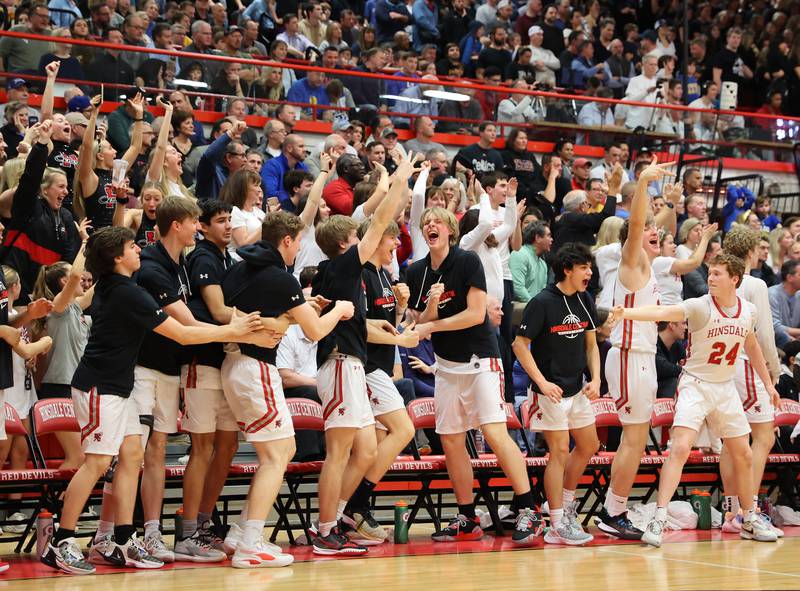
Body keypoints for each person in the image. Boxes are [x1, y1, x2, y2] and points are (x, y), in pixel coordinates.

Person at [42, 226, 262, 575]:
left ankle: (124, 538)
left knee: (132, 456)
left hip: (119, 386)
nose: (139, 251)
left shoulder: (112, 286)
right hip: (100, 387)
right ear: (117, 258)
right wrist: (234, 331)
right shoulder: (128, 293)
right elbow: (183, 334)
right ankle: (62, 541)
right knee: (97, 464)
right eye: (132, 247)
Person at [608, 253, 779, 546]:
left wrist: (768, 384)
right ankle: (659, 518)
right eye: (710, 273)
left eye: (717, 274)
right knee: (681, 448)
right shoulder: (700, 306)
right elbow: (664, 313)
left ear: (734, 279)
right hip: (696, 386)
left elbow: (752, 345)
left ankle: (748, 517)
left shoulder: (747, 310)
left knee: (745, 454)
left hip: (725, 388)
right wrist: (627, 313)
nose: (710, 278)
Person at [407, 203, 542, 545]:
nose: (431, 225)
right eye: (426, 223)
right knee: (452, 441)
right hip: (447, 366)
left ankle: (529, 509)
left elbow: (475, 314)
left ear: (451, 231)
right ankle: (467, 517)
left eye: (438, 221)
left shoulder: (467, 261)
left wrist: (432, 324)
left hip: (480, 360)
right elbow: (419, 323)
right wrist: (432, 310)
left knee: (495, 434)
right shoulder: (417, 272)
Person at [596, 156, 674, 540]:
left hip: (640, 360)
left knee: (636, 439)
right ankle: (614, 511)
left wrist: (667, 201)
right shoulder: (633, 263)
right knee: (634, 439)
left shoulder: (649, 268)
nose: (653, 232)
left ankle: (615, 508)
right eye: (648, 230)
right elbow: (639, 224)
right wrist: (642, 183)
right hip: (629, 357)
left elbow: (652, 227)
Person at [512, 242, 600, 545]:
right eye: (584, 267)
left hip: (577, 389)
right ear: (567, 270)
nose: (589, 272)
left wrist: (596, 378)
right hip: (548, 391)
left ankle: (563, 502)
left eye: (590, 266)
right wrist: (541, 382)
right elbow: (519, 345)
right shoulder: (542, 302)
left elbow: (591, 343)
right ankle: (557, 524)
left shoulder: (584, 298)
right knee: (559, 450)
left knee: (589, 444)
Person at [340, 219, 418, 544]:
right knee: (404, 429)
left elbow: (387, 324)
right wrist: (400, 341)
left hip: (381, 366)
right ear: (378, 239)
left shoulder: (385, 275)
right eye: (392, 240)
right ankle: (353, 505)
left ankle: (355, 510)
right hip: (367, 365)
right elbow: (362, 327)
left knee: (375, 443)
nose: (396, 247)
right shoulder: (361, 276)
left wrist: (400, 309)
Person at [720, 226, 783, 537]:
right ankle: (751, 511)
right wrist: (773, 369)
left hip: (721, 368)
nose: (762, 253)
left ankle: (731, 511)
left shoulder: (718, 278)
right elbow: (764, 335)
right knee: (763, 437)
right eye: (758, 248)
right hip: (745, 366)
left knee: (732, 443)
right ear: (748, 252)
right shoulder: (754, 283)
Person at [32, 226, 93, 472]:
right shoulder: (57, 309)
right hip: (58, 388)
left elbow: (108, 279)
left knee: (85, 458)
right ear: (63, 281)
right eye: (73, 276)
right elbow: (78, 277)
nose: (82, 278)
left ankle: (75, 506)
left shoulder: (77, 307)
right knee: (76, 458)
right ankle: (58, 506)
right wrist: (85, 244)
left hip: (77, 386)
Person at [1, 121, 81, 303]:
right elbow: (30, 179)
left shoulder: (67, 217)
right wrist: (42, 145)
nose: (66, 192)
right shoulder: (27, 206)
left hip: (47, 294)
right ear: (44, 190)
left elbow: (68, 258)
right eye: (60, 186)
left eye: (67, 187)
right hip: (16, 290)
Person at [75, 94, 143, 230]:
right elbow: (87, 147)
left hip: (116, 237)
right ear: (100, 155)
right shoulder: (90, 177)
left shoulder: (116, 173)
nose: (115, 152)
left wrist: (139, 115)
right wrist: (94, 114)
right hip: (96, 240)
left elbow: (135, 147)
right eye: (110, 148)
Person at [510, 220, 551, 303]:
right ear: (538, 238)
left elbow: (542, 293)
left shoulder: (543, 264)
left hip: (534, 307)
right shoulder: (519, 254)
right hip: (518, 309)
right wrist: (535, 305)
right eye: (548, 235)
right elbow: (517, 287)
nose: (551, 239)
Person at [261, 134, 308, 203]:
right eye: (301, 146)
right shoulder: (272, 165)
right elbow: (269, 193)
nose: (305, 149)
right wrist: (294, 196)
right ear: (289, 148)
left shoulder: (302, 167)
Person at [768, 260, 800, 349]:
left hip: (793, 340)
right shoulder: (772, 294)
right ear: (789, 277)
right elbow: (775, 327)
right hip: (776, 342)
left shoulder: (799, 294)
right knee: (783, 337)